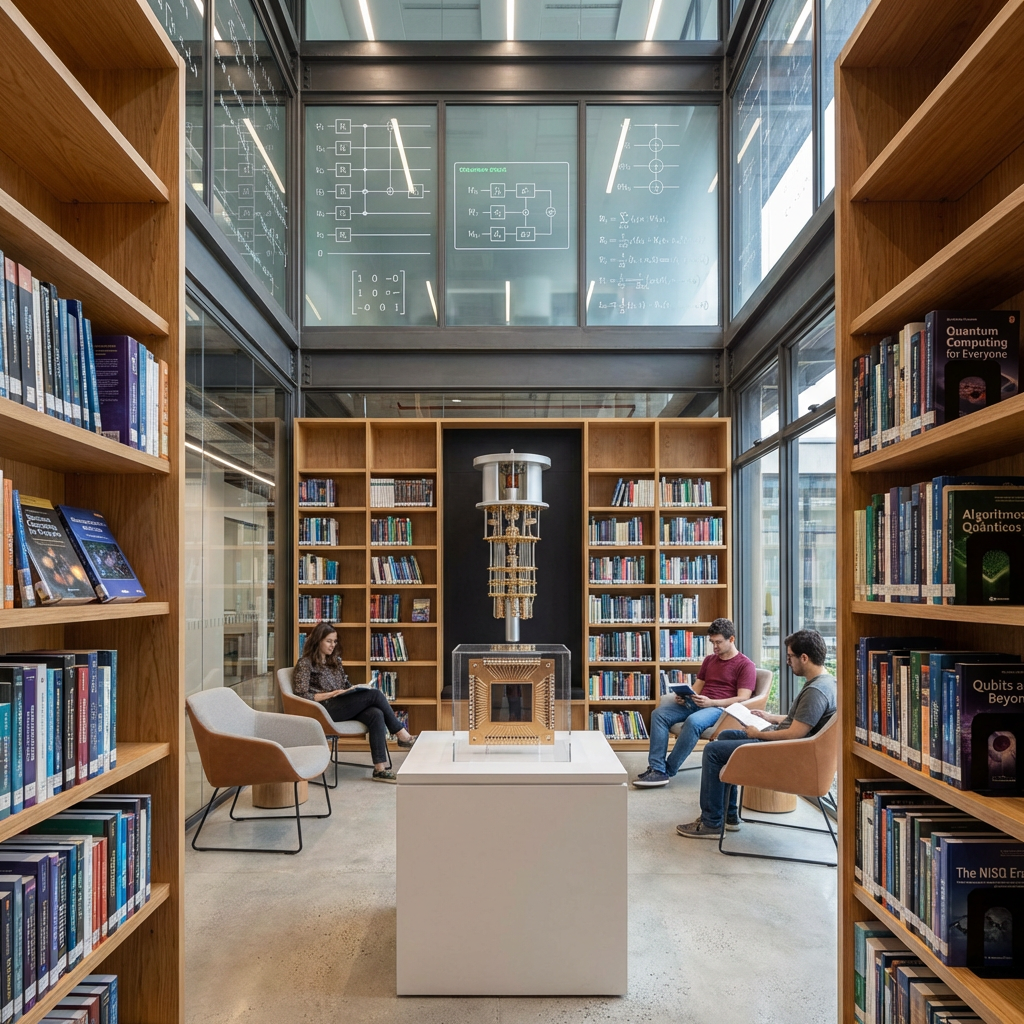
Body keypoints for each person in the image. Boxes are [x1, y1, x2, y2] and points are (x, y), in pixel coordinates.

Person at [675, 628, 837, 839]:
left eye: (790, 657)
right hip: (790, 745)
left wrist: (757, 733)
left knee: (713, 751)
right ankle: (729, 815)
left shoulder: (816, 691)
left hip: (787, 752)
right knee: (726, 736)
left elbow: (793, 734)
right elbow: (803, 722)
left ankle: (711, 822)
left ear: (804, 658)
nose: (788, 662)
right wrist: (771, 717)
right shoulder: (827, 682)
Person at [634, 618, 755, 787]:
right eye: (712, 642)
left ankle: (667, 770)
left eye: (719, 642)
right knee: (658, 714)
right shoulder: (710, 660)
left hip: (719, 708)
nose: (715, 647)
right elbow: (698, 686)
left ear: (732, 639)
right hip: (699, 702)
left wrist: (712, 702)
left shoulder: (745, 665)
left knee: (693, 721)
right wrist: (686, 695)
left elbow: (743, 698)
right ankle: (656, 768)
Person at [293, 621, 416, 783]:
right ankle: (402, 735)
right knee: (376, 695)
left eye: (334, 641)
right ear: (318, 641)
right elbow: (300, 695)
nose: (332, 645)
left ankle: (380, 769)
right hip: (323, 710)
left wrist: (354, 690)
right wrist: (329, 695)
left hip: (340, 704)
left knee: (376, 713)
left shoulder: (335, 661)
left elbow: (345, 686)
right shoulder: (305, 663)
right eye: (328, 641)